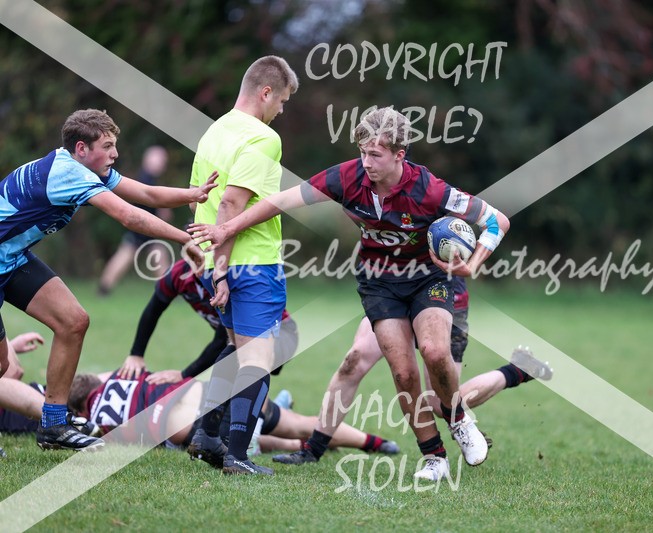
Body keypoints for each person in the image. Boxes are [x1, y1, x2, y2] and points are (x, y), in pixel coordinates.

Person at [189, 107, 510, 481]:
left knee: (436, 352)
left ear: (399, 155)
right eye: (363, 152)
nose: (366, 163)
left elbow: (495, 220)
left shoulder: (429, 189)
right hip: (379, 283)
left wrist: (473, 264)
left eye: (376, 155)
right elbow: (279, 201)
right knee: (404, 373)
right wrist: (227, 229)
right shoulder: (347, 177)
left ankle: (457, 420)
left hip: (427, 278)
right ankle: (433, 456)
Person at [0, 108, 217, 452]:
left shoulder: (82, 168)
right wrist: (185, 238)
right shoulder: (69, 174)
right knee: (1, 366)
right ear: (82, 149)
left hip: (9, 260)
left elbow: (144, 195)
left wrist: (192, 195)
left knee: (73, 321)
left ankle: (53, 425)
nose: (115, 154)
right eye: (108, 145)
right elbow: (129, 216)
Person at [272, 276, 553, 466]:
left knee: (441, 404)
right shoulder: (368, 192)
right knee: (354, 360)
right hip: (394, 292)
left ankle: (516, 370)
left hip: (440, 294)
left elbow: (486, 226)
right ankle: (313, 450)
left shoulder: (434, 196)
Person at [186, 55, 299, 476]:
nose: (281, 110)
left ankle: (206, 437)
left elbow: (204, 199)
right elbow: (232, 203)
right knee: (258, 358)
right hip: (248, 262)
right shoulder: (263, 138)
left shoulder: (214, 130)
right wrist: (222, 270)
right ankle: (237, 455)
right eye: (282, 100)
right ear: (265, 92)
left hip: (211, 257)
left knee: (236, 349)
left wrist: (213, 266)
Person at [0, 365, 400, 459]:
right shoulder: (117, 381)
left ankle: (305, 441)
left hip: (187, 426)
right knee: (291, 423)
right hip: (203, 394)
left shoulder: (98, 423)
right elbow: (108, 373)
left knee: (264, 436)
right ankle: (374, 442)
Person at [114, 258, 297, 385]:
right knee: (237, 365)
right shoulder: (178, 275)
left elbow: (220, 342)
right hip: (239, 339)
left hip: (283, 333)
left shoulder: (230, 279)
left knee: (247, 365)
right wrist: (136, 354)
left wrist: (184, 375)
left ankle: (252, 431)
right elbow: (153, 309)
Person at [97, 145, 173, 296]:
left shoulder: (146, 177)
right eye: (159, 160)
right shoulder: (146, 179)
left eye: (163, 161)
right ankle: (104, 287)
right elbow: (151, 199)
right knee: (127, 256)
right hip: (143, 226)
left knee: (157, 254)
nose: (162, 163)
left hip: (145, 227)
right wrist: (162, 210)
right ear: (149, 160)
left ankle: (104, 288)